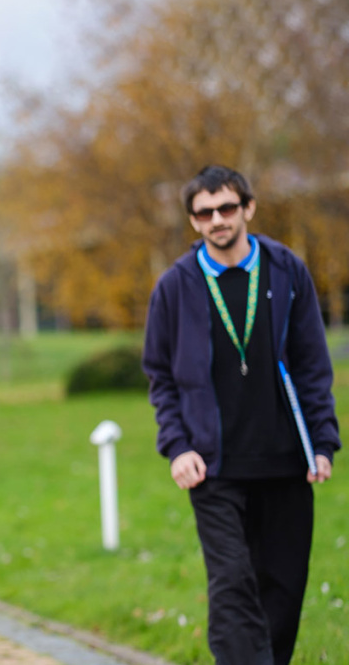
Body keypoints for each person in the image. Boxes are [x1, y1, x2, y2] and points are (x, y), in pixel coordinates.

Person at [142, 165, 340, 664]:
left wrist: (322, 441)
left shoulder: (286, 270)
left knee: (284, 588)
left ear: (248, 208)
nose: (217, 220)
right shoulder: (175, 287)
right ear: (193, 221)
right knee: (232, 585)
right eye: (204, 213)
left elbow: (312, 362)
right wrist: (178, 445)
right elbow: (160, 377)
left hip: (284, 459)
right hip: (213, 465)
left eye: (226, 208)